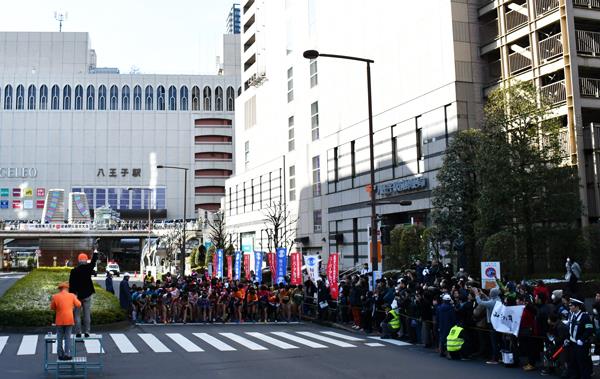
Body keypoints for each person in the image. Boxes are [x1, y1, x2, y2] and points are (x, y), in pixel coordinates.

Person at [68, 250, 98, 337]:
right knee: (87, 314)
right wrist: (95, 251)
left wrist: (73, 295)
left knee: (77, 315)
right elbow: (94, 261)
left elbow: (71, 284)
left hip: (77, 296)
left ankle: (78, 332)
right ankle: (87, 332)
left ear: (78, 260)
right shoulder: (88, 268)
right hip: (87, 295)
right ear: (86, 260)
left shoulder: (74, 271)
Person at [50, 282, 81, 361]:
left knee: (59, 337)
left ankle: (60, 354)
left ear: (60, 289)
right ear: (67, 288)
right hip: (69, 319)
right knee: (68, 337)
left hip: (59, 320)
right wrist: (72, 305)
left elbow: (52, 307)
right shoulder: (72, 296)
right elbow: (79, 304)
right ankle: (67, 354)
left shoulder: (55, 296)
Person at [565, 298, 593, 379]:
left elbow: (589, 330)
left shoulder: (585, 317)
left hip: (581, 345)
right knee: (573, 363)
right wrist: (568, 338)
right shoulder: (572, 315)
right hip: (573, 343)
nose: (570, 307)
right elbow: (570, 328)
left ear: (577, 307)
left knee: (582, 364)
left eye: (571, 305)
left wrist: (582, 339)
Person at [436, 293, 456, 358]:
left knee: (442, 338)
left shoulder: (439, 308)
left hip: (441, 325)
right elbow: (453, 318)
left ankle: (441, 351)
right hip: (449, 325)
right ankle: (448, 353)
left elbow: (437, 318)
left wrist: (438, 325)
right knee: (449, 339)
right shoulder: (451, 308)